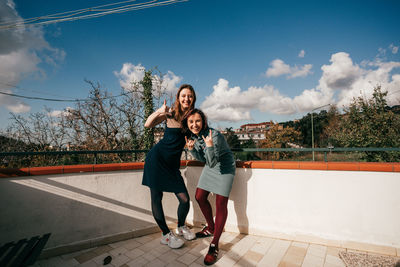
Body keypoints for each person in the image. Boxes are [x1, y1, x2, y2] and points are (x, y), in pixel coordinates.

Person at [142, 84, 197, 249]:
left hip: (172, 166)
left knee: (185, 200)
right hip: (156, 160)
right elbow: (148, 124)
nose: (186, 98)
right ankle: (166, 235)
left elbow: (198, 135)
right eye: (183, 95)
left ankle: (181, 227)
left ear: (193, 99)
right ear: (178, 98)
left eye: (190, 96)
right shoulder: (170, 113)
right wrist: (159, 111)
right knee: (156, 198)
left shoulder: (193, 118)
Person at [182, 109, 236, 265]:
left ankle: (214, 244)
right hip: (212, 167)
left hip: (225, 168)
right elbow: (204, 160)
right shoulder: (195, 137)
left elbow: (211, 161)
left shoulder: (215, 136)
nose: (194, 124)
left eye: (197, 121)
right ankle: (210, 227)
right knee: (199, 196)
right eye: (191, 122)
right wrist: (192, 149)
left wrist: (210, 145)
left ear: (203, 121)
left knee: (220, 203)